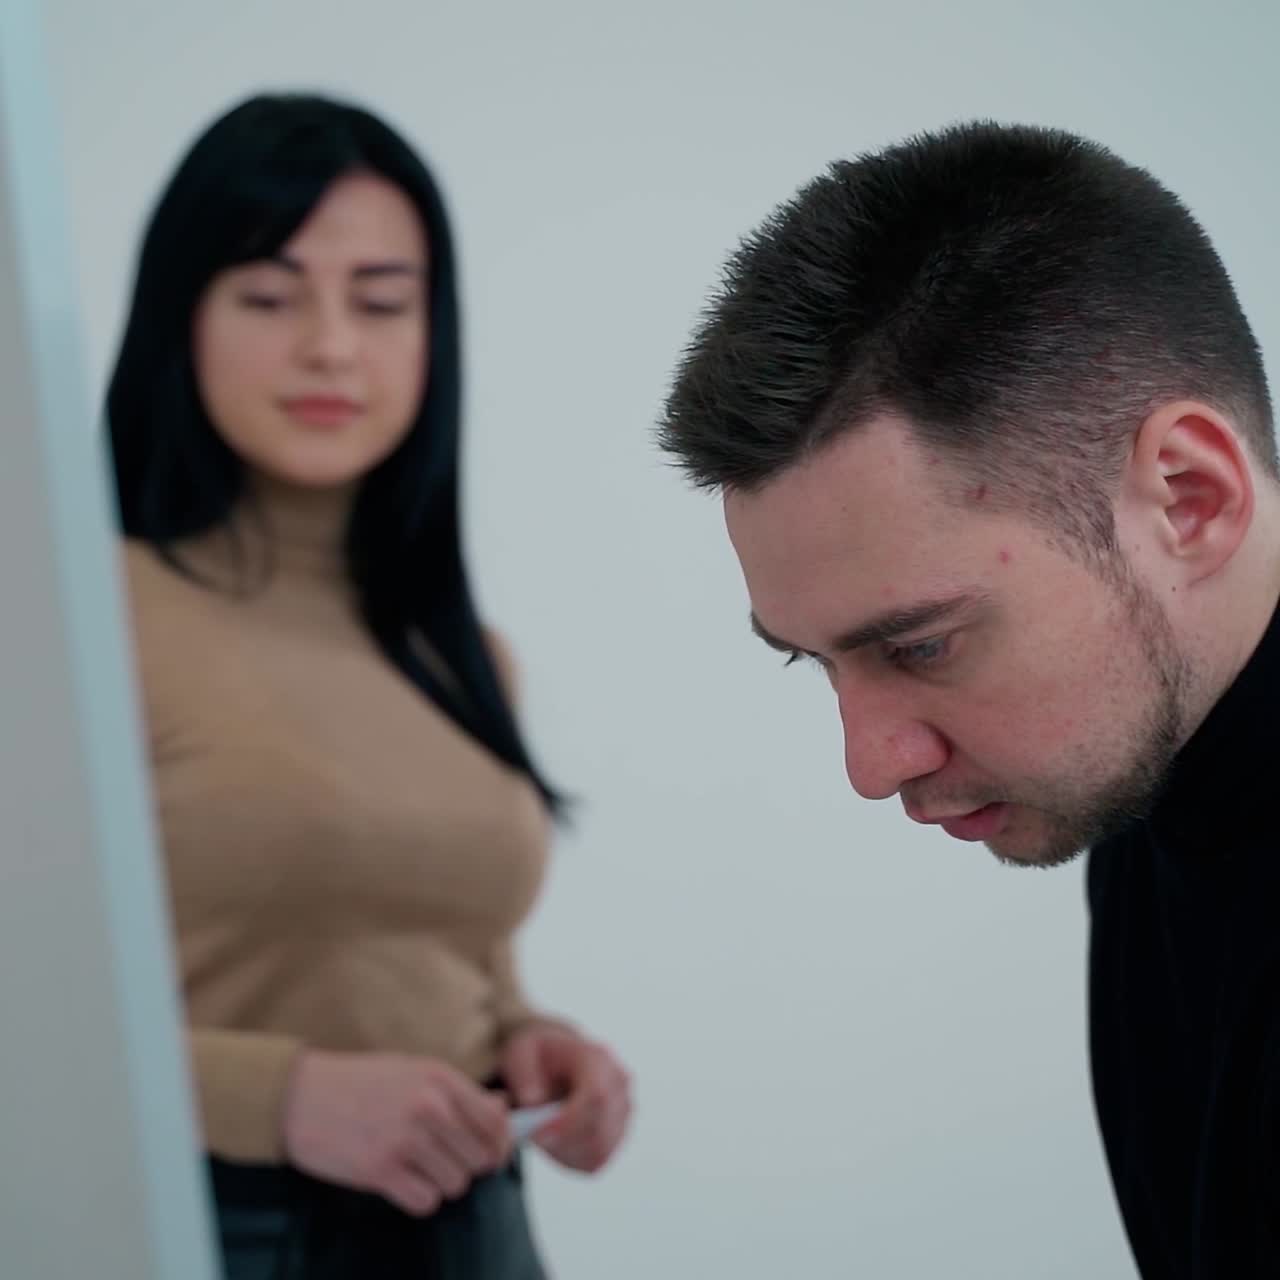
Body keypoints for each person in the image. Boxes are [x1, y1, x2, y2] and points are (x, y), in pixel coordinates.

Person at [658, 121, 1280, 1277]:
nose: (868, 761)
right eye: (812, 661)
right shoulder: (1145, 791)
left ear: (1188, 499)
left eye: (922, 644)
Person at [108, 92, 631, 1279]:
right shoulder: (82, 618)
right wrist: (279, 1094)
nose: (332, 344)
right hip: (211, 1231)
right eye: (270, 295)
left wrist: (529, 1043)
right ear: (177, 316)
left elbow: (445, 958)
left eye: (382, 301)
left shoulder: (458, 649)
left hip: (474, 1236)